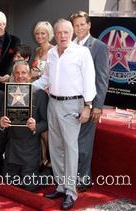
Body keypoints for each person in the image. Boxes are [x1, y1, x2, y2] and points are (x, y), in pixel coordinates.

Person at [33, 19, 96, 209]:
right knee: (56, 147)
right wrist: (24, 87)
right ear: (56, 34)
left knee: (70, 149)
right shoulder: (52, 53)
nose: (62, 36)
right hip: (53, 103)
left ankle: (71, 191)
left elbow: (89, 80)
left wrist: (88, 106)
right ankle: (61, 186)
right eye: (59, 32)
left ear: (72, 33)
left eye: (66, 32)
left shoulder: (82, 52)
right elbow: (45, 80)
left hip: (72, 105)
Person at [70, 11, 110, 191]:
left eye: (82, 24)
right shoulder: (70, 46)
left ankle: (83, 180)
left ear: (89, 25)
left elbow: (102, 79)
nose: (79, 28)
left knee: (83, 144)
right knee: (71, 143)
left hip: (89, 104)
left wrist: (97, 106)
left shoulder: (98, 47)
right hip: (69, 102)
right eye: (76, 25)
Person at [0, 61, 48, 192]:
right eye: (17, 73)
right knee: (8, 183)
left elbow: (46, 122)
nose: (20, 76)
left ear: (30, 75)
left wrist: (36, 126)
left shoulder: (40, 94)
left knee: (29, 187)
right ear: (13, 75)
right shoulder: (8, 92)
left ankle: (47, 174)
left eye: (24, 73)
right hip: (12, 148)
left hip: (30, 148)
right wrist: (1, 123)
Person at [31, 21, 54, 168]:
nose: (40, 36)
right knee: (39, 128)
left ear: (49, 34)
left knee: (46, 129)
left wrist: (37, 73)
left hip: (48, 93)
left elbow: (51, 75)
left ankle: (52, 161)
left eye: (43, 33)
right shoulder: (38, 50)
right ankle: (43, 159)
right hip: (37, 92)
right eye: (37, 33)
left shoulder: (54, 50)